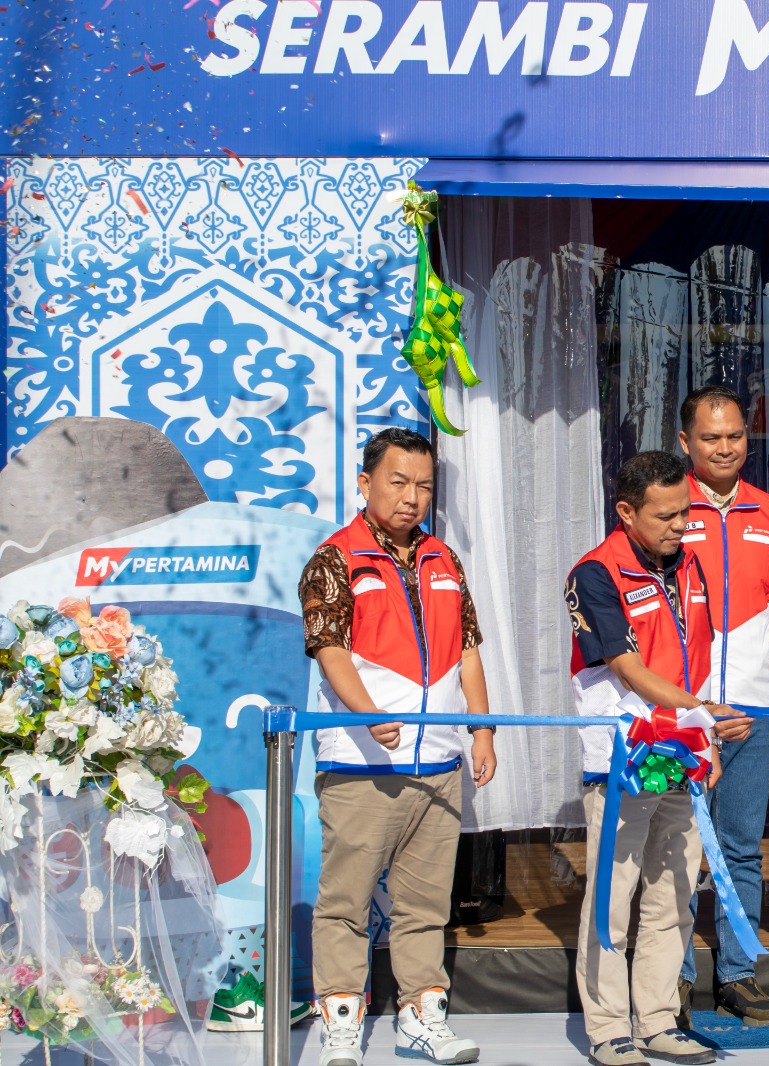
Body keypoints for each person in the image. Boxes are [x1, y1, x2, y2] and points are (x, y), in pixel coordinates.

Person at [299, 427, 498, 1066]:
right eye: (398, 482)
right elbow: (329, 648)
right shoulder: (335, 558)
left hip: (437, 761)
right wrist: (367, 713)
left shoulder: (444, 558)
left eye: (424, 486)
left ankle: (422, 1017)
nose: (412, 497)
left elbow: (469, 650)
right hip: (361, 763)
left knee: (425, 905)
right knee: (346, 903)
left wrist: (482, 729)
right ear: (365, 483)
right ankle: (340, 1024)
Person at [566, 450, 751, 1066]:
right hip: (623, 760)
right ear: (626, 511)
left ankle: (657, 1018)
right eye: (666, 516)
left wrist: (706, 740)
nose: (680, 525)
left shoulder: (690, 564)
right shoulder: (594, 573)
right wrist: (702, 712)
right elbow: (629, 669)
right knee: (611, 898)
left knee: (672, 896)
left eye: (686, 512)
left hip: (684, 754)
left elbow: (700, 658)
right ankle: (608, 1027)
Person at [674, 386, 769, 1027]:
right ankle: (670, 976)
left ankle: (737, 974)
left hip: (756, 709)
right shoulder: (666, 506)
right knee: (675, 847)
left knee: (741, 847)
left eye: (734, 436)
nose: (724, 448)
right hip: (683, 710)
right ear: (686, 443)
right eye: (710, 438)